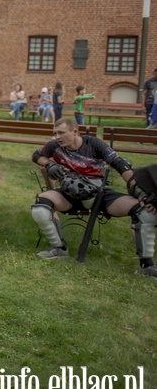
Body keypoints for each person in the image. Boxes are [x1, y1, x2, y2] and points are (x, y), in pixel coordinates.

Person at [31, 117, 156, 279]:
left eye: (61, 133)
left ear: (75, 132)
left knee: (144, 212)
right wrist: (49, 164)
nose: (57, 137)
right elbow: (36, 155)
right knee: (40, 206)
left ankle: (146, 265)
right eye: (55, 133)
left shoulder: (94, 144)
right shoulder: (54, 146)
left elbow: (120, 165)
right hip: (69, 194)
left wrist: (142, 194)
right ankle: (59, 248)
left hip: (99, 192)